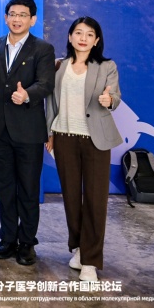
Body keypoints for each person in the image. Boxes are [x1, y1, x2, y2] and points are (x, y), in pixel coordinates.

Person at [45, 17, 122, 282]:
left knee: (95, 199)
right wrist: (49, 133)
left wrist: (109, 100)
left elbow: (116, 97)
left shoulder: (107, 66)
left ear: (97, 40)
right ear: (70, 37)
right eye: (78, 33)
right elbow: (50, 103)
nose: (83, 38)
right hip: (64, 137)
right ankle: (79, 248)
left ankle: (90, 261)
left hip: (95, 140)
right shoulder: (58, 66)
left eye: (89, 34)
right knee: (70, 197)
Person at [0, 0, 55, 266]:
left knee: (28, 189)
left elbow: (46, 84)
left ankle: (27, 242)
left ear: (32, 20)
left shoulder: (43, 48)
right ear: (5, 17)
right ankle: (8, 239)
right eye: (12, 14)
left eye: (23, 15)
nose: (16, 19)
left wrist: (27, 95)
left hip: (28, 131)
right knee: (4, 188)